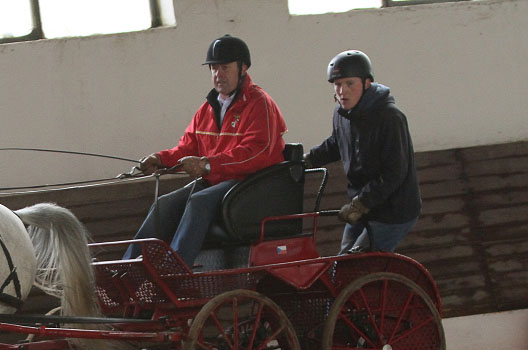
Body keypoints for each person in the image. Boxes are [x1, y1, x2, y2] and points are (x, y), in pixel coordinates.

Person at [123, 35, 287, 267]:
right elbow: (187, 147)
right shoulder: (207, 109)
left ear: (243, 68)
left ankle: (175, 269)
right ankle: (128, 268)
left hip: (250, 184)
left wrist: (208, 164)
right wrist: (160, 159)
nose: (218, 74)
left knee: (199, 202)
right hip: (217, 181)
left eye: (225, 67)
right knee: (164, 205)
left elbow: (256, 153)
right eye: (214, 68)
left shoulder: (260, 103)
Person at [304, 50, 421, 254]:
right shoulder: (343, 114)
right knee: (343, 263)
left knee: (358, 263)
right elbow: (335, 143)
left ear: (366, 83)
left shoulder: (390, 118)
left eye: (350, 84)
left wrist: (361, 203)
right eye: (338, 85)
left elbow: (395, 173)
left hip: (392, 211)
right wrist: (306, 160)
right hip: (363, 207)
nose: (343, 92)